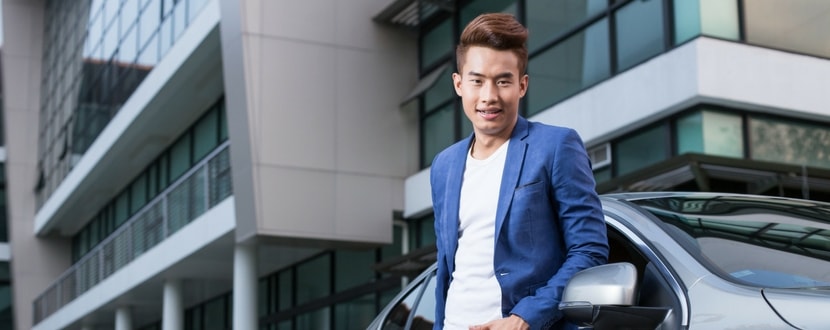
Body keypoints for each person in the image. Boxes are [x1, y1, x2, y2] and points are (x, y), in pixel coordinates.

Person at [430, 13, 609, 330]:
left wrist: (526, 317)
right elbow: (447, 266)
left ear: (522, 85)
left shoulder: (556, 146)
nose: (489, 96)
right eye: (477, 81)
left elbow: (589, 250)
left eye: (503, 81)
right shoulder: (444, 165)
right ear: (459, 84)